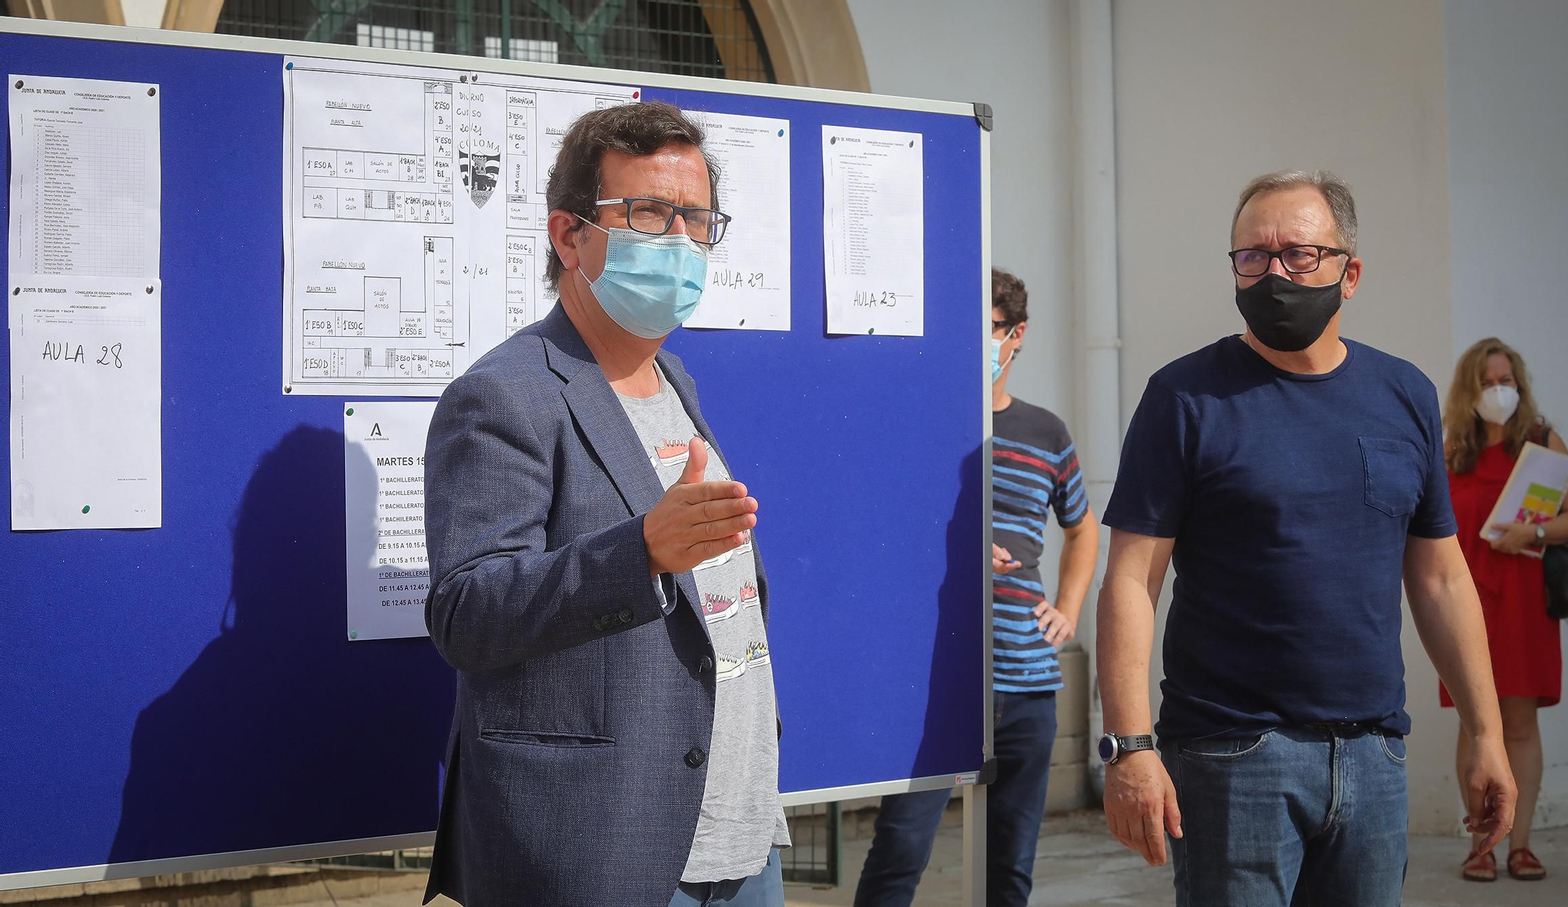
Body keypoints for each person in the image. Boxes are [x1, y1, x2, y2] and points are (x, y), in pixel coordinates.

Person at [1095, 169, 1516, 906]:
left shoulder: (1405, 394)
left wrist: (1486, 731)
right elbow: (1132, 579)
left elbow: (1442, 579)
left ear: (1349, 274)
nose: (1273, 273)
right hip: (1234, 757)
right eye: (1252, 256)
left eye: (1299, 254)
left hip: (1375, 755)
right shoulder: (1184, 397)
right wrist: (1130, 748)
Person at [421, 101, 786, 907]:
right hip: (604, 850)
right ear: (570, 235)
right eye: (649, 213)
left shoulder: (675, 380)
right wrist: (640, 552)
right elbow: (466, 612)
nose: (679, 239)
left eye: (696, 218)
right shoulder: (503, 395)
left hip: (741, 834)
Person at [853, 268, 1100, 906]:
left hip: (1026, 683)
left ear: (1014, 335)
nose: (972, 343)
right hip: (939, 684)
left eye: (984, 328)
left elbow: (1084, 530)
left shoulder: (1047, 434)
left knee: (1008, 867)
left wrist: (1068, 609)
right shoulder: (927, 427)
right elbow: (880, 529)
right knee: (900, 849)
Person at [1441, 338, 1568, 883]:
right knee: (1475, 720)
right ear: (1469, 390)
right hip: (1467, 601)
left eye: (1507, 381)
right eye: (1487, 382)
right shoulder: (1453, 446)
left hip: (1525, 597)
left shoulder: (1541, 442)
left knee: (1520, 723)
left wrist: (1536, 530)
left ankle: (1520, 846)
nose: (1499, 392)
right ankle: (1480, 845)